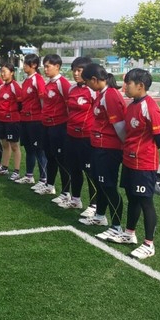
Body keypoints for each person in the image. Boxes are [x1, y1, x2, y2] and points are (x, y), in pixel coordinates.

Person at [109, 68, 160, 260]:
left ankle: (149, 244)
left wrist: (145, 152)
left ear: (140, 86)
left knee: (145, 201)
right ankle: (129, 233)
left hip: (143, 163)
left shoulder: (149, 107)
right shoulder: (132, 105)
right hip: (129, 159)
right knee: (132, 197)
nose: (124, 87)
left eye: (128, 83)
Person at [78, 64, 127, 242]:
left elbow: (120, 127)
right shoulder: (102, 95)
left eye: (87, 82)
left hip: (109, 149)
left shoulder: (111, 95)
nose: (87, 86)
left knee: (108, 186)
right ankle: (100, 216)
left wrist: (122, 147)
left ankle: (116, 226)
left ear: (94, 79)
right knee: (100, 184)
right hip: (99, 146)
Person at [59, 56, 98, 212]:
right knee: (74, 169)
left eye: (79, 70)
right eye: (74, 70)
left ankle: (94, 205)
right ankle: (75, 200)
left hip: (87, 138)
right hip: (71, 136)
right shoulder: (72, 89)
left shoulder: (93, 91)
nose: (75, 73)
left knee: (89, 172)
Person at [38, 54, 71, 202]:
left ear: (57, 67)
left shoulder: (62, 83)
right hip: (47, 125)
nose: (45, 69)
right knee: (50, 156)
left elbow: (68, 104)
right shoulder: (49, 83)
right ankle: (50, 185)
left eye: (48, 66)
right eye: (44, 66)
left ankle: (66, 193)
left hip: (58, 126)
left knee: (61, 159)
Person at [15, 54, 47, 187]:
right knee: (29, 149)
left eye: (26, 64)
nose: (23, 66)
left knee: (39, 150)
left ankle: (44, 180)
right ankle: (29, 176)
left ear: (33, 65)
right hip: (25, 119)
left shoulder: (37, 79)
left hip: (35, 120)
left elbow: (42, 100)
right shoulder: (27, 80)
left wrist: (42, 117)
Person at [0, 63, 22, 180]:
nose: (2, 73)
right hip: (1, 119)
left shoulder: (15, 86)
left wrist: (14, 114)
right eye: (1, 71)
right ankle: (4, 167)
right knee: (4, 144)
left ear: (12, 72)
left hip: (12, 120)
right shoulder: (1, 87)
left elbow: (20, 103)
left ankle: (16, 171)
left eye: (5, 71)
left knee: (14, 145)